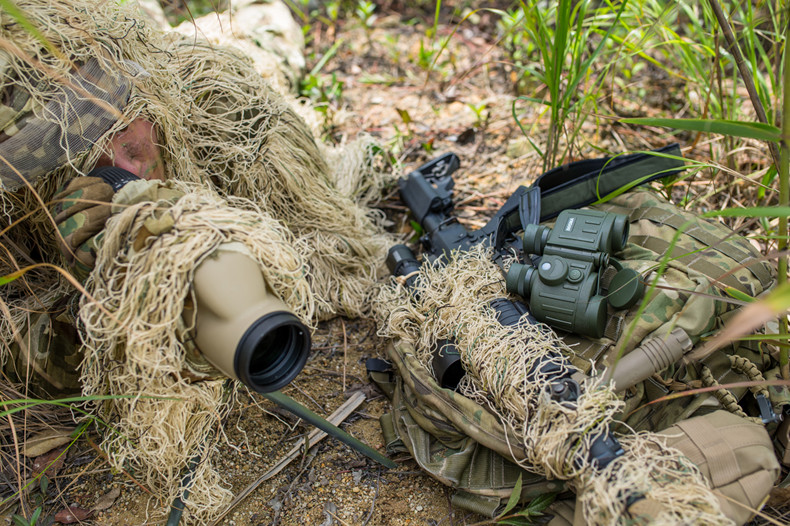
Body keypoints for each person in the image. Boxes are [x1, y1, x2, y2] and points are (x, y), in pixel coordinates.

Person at [0, 0, 391, 522]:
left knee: (262, 33)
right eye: (69, 157)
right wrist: (94, 291)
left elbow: (328, 246)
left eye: (127, 141)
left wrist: (153, 225)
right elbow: (28, 359)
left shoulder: (223, 122)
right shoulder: (14, 215)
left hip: (192, 66)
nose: (117, 168)